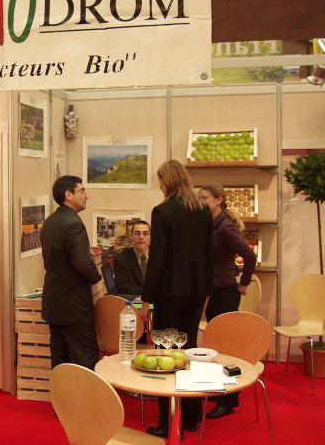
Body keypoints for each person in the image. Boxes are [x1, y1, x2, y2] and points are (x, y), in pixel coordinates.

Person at [139, 160, 213, 439]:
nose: (159, 186)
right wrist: (207, 291)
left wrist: (146, 300)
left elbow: (157, 259)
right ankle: (192, 417)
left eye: (160, 180)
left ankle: (168, 423)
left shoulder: (162, 211)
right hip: (197, 291)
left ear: (167, 180)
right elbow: (209, 253)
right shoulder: (202, 209)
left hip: (169, 292)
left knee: (165, 355)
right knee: (189, 350)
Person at [198, 182, 257, 419]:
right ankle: (223, 393)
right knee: (216, 345)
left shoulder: (224, 227)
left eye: (204, 198)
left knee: (225, 347)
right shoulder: (210, 224)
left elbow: (249, 254)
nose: (201, 202)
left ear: (219, 200)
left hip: (224, 293)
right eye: (199, 198)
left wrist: (244, 283)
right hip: (215, 292)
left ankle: (229, 400)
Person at [41, 175, 102, 370]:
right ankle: (84, 393)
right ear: (68, 194)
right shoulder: (73, 223)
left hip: (54, 302)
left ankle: (61, 392)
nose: (86, 196)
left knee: (60, 361)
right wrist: (96, 276)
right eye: (82, 190)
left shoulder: (50, 221)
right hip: (74, 306)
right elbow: (82, 264)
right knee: (85, 360)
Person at [113, 220, 150, 299]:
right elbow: (121, 286)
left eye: (145, 233)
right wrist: (148, 291)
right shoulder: (121, 258)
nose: (141, 237)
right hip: (133, 303)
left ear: (150, 236)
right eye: (137, 233)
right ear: (131, 236)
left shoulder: (161, 257)